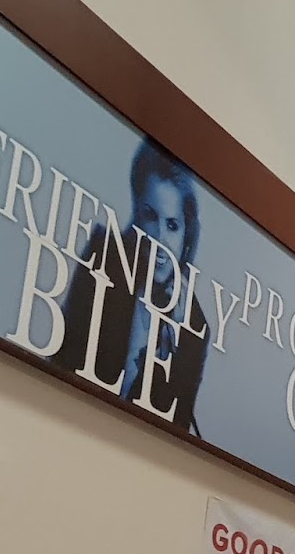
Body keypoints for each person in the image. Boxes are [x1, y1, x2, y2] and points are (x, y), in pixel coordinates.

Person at [52, 139, 210, 430]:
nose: (159, 239)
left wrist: (174, 345)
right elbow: (63, 362)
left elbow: (174, 432)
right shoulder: (103, 255)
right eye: (150, 216)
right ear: (136, 214)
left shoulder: (195, 327)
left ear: (187, 235)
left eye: (172, 225)